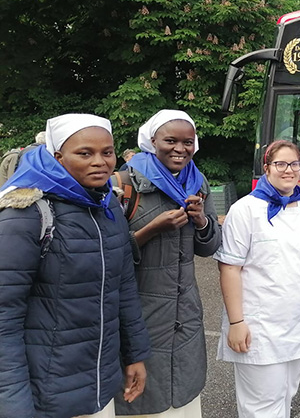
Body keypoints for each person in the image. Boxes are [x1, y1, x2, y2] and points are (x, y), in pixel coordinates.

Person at [0, 114, 151, 418]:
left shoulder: (107, 205)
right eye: (85, 153)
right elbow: (4, 319)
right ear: (57, 157)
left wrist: (135, 355)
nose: (100, 161)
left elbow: (123, 287)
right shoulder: (26, 213)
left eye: (107, 152)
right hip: (44, 398)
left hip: (99, 389)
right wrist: (14, 406)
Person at [114, 110, 222, 418]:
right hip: (140, 313)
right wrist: (151, 229)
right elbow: (108, 256)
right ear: (152, 142)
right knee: (141, 399)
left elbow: (210, 247)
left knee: (184, 394)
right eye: (170, 141)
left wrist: (202, 221)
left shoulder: (196, 182)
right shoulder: (124, 184)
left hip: (185, 314)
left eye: (188, 142)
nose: (180, 149)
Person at [215, 140, 300, 417]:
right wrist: (236, 322)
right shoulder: (245, 210)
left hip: (298, 322)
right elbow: (229, 267)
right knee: (261, 407)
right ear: (267, 168)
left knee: (286, 396)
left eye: (294, 164)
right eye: (280, 164)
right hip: (259, 327)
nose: (288, 170)